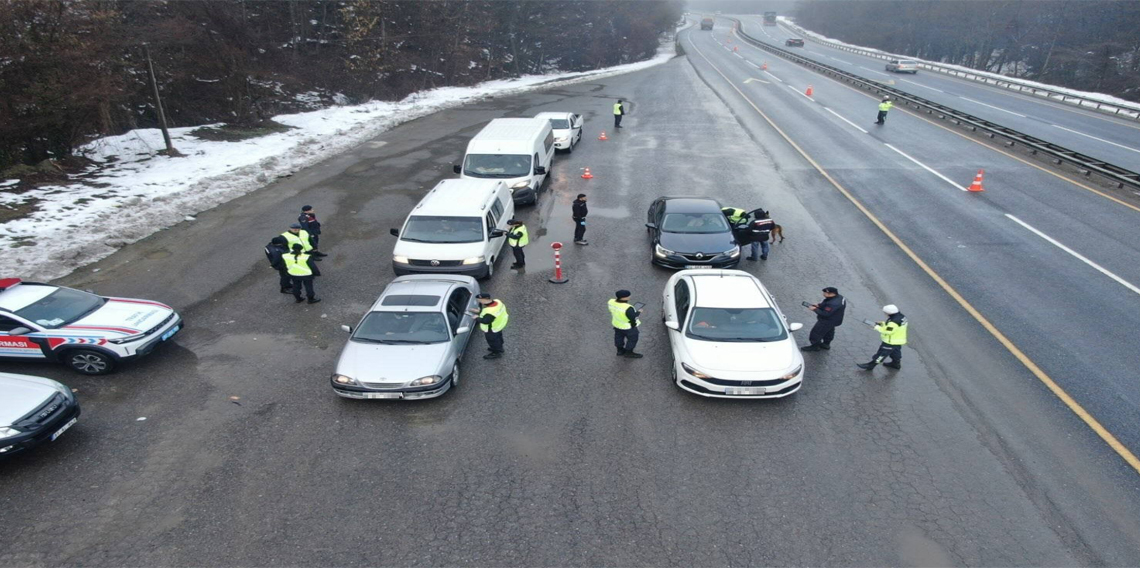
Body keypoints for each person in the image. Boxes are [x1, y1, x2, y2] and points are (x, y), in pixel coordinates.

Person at [857, 304, 908, 370]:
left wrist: (876, 327)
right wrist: (882, 323)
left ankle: (871, 365)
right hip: (898, 340)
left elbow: (888, 331)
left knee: (881, 354)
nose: (885, 314)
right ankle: (896, 364)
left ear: (889, 313)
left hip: (890, 341)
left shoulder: (894, 322)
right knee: (895, 352)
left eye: (885, 312)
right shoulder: (901, 316)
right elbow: (893, 327)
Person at [801, 287, 846, 351]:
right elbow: (827, 304)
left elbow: (825, 313)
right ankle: (826, 344)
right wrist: (819, 305)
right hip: (835, 319)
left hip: (827, 321)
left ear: (832, 294)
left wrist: (815, 309)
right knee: (829, 332)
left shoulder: (833, 303)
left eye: (825, 293)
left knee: (816, 332)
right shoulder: (840, 297)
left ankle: (815, 346)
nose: (824, 294)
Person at [469, 294, 508, 359]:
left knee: (492, 340)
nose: (479, 302)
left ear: (484, 300)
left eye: (479, 300)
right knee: (498, 337)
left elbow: (486, 321)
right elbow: (488, 312)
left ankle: (496, 353)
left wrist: (477, 318)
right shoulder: (497, 301)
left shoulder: (490, 311)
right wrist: (478, 311)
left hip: (492, 328)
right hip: (499, 324)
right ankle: (500, 348)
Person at [608, 289, 643, 359]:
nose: (629, 297)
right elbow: (633, 317)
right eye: (628, 296)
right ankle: (629, 352)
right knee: (632, 339)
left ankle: (620, 351)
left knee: (618, 337)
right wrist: (638, 312)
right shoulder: (628, 308)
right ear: (624, 298)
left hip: (617, 325)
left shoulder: (611, 302)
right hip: (628, 327)